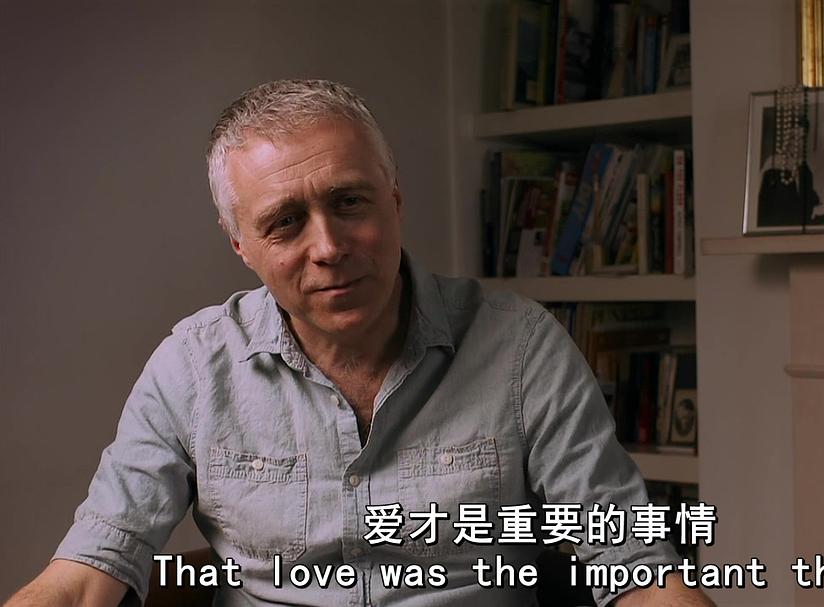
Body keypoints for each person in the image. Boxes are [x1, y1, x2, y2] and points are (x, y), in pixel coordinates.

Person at [5, 80, 713, 607]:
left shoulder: (521, 346)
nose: (329, 246)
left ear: (394, 201)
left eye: (349, 202)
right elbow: (89, 570)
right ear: (241, 245)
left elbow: (639, 568)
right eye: (285, 222)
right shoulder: (192, 367)